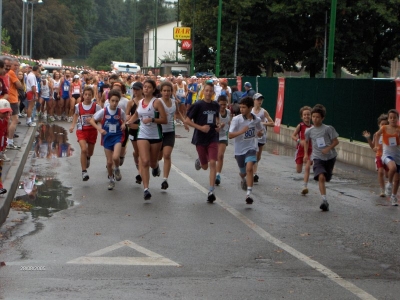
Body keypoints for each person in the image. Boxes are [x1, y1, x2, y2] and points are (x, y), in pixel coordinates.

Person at [126, 79, 167, 200]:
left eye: (149, 87)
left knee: (152, 162)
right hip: (142, 134)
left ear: (153, 89)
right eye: (145, 87)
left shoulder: (157, 102)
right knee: (144, 161)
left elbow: (164, 120)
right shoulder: (140, 102)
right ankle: (146, 189)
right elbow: (136, 115)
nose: (146, 89)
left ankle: (155, 167)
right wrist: (129, 121)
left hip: (155, 135)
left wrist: (152, 120)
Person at [185, 81, 221, 203]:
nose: (208, 93)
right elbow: (187, 120)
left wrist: (218, 125)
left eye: (210, 91)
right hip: (200, 138)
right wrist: (200, 128)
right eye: (206, 90)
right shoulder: (198, 105)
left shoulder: (215, 105)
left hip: (212, 137)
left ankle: (211, 191)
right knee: (205, 166)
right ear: (203, 92)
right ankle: (200, 161)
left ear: (213, 93)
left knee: (212, 163)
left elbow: (217, 119)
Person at [228, 96, 264, 204]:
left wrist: (259, 133)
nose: (241, 109)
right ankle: (243, 179)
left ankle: (249, 194)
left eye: (244, 107)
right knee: (243, 172)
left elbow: (260, 130)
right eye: (241, 107)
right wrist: (242, 131)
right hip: (239, 150)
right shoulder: (236, 119)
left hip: (251, 147)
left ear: (250, 108)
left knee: (249, 168)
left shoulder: (256, 120)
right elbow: (229, 135)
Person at [304, 104, 339, 211]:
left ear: (322, 118)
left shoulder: (328, 129)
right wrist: (306, 154)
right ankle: (324, 200)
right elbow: (306, 142)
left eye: (317, 117)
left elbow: (336, 141)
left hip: (330, 157)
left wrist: (328, 149)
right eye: (313, 117)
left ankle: (327, 178)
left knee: (326, 177)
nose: (315, 119)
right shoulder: (309, 131)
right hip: (317, 157)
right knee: (321, 177)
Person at [90, 90, 126, 190]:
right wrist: (99, 129)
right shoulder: (104, 111)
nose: (114, 103)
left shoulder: (120, 111)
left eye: (116, 101)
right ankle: (111, 179)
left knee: (115, 157)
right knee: (109, 162)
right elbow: (92, 120)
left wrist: (123, 124)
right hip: (107, 137)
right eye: (112, 101)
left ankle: (117, 169)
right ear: (108, 101)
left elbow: (125, 119)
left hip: (117, 136)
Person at [158, 81, 188, 190]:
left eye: (169, 91)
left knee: (167, 155)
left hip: (170, 132)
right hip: (158, 131)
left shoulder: (174, 102)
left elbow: (177, 113)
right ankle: (156, 167)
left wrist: (184, 122)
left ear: (172, 92)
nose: (166, 93)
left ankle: (165, 179)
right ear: (161, 91)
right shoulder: (158, 102)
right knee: (158, 157)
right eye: (164, 90)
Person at [69, 86, 101, 181]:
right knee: (84, 149)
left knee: (90, 152)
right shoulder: (78, 106)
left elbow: (100, 118)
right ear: (83, 95)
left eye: (89, 95)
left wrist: (93, 120)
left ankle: (88, 157)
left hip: (92, 131)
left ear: (92, 96)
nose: (87, 96)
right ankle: (84, 171)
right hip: (81, 130)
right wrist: (72, 126)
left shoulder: (96, 106)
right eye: (86, 94)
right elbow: (75, 115)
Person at [374, 109, 400, 206]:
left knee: (397, 180)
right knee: (392, 168)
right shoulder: (384, 128)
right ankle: (389, 184)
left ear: (397, 118)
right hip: (387, 154)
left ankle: (393, 197)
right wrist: (376, 146)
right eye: (391, 118)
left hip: (398, 155)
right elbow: (377, 134)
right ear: (388, 119)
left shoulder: (399, 128)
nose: (393, 119)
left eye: (395, 118)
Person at [362, 114, 389, 197]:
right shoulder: (376, 135)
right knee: (380, 172)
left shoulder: (390, 134)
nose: (384, 126)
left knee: (388, 175)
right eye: (382, 124)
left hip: (388, 156)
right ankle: (382, 190)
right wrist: (368, 138)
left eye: (386, 124)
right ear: (379, 125)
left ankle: (389, 185)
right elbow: (373, 147)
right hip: (379, 156)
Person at [251, 93, 274, 183]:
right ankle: (254, 173)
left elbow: (272, 123)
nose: (260, 101)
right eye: (258, 100)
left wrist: (263, 123)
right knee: (254, 154)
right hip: (252, 136)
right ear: (254, 100)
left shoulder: (263, 112)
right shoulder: (251, 111)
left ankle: (253, 170)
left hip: (261, 136)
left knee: (258, 156)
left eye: (261, 100)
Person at [291, 106, 313, 195]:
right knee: (299, 170)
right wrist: (299, 141)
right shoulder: (300, 126)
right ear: (302, 116)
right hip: (300, 150)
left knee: (307, 168)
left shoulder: (313, 127)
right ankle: (304, 184)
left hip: (310, 150)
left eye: (308, 114)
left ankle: (305, 186)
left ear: (311, 116)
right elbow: (293, 136)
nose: (306, 116)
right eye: (304, 115)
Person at [126, 81, 143, 184]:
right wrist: (127, 119)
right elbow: (127, 115)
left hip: (143, 129)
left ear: (142, 90)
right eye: (134, 89)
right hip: (133, 129)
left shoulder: (146, 101)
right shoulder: (130, 102)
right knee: (137, 152)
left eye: (137, 89)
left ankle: (139, 174)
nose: (135, 91)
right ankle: (135, 156)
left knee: (141, 152)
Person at [215, 95, 231, 186]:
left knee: (220, 155)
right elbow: (214, 124)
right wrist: (219, 126)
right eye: (221, 104)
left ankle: (218, 175)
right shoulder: (215, 112)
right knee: (212, 156)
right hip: (214, 136)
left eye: (224, 104)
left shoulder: (228, 112)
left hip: (223, 136)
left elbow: (229, 122)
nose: (223, 106)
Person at [0, 99, 12, 194]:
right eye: (3, 113)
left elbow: (5, 134)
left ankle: (0, 187)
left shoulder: (5, 121)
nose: (5, 114)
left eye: (7, 112)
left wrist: (4, 146)